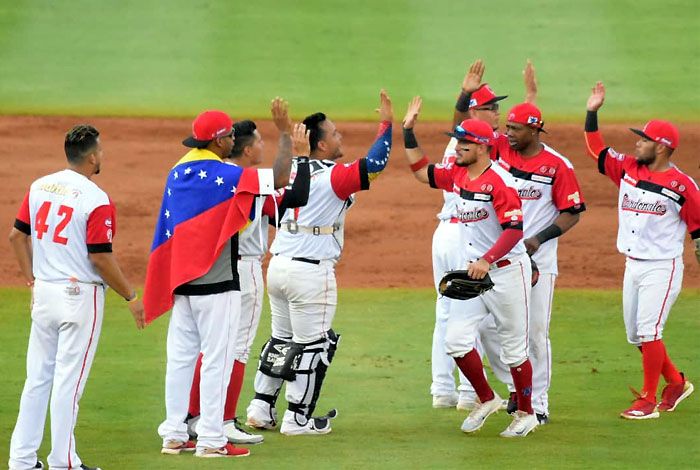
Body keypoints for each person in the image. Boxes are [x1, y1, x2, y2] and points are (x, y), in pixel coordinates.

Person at [144, 108, 296, 458]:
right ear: (217, 140)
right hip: (218, 282)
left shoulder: (176, 171)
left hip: (181, 281)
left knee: (180, 359)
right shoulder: (228, 174)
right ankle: (212, 438)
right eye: (228, 136)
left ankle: (174, 432)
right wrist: (286, 136)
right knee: (218, 358)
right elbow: (281, 176)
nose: (231, 140)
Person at [246, 90, 394, 436]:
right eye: (335, 133)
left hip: (278, 265)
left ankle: (260, 407)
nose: (341, 136)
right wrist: (386, 122)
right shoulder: (333, 175)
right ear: (322, 145)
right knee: (314, 345)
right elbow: (376, 164)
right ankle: (297, 418)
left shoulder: (284, 171)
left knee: (281, 340)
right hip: (310, 272)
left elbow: (272, 214)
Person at [8, 124, 144, 470]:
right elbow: (100, 257)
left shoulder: (39, 185)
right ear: (93, 156)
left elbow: (15, 237)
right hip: (79, 297)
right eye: (102, 150)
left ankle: (22, 460)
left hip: (45, 292)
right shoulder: (95, 198)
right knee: (69, 381)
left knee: (37, 378)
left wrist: (32, 282)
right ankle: (64, 461)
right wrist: (130, 296)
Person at [459, 60, 587, 424]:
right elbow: (468, 131)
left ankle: (539, 402)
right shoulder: (499, 148)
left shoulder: (557, 166)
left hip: (538, 261)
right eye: (507, 127)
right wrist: (467, 94)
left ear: (535, 131)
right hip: (500, 257)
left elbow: (572, 211)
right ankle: (517, 388)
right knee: (489, 328)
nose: (507, 132)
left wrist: (538, 239)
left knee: (534, 332)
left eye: (515, 128)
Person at [403, 99, 537, 437]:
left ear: (482, 147)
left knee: (514, 348)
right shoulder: (458, 174)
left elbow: (514, 230)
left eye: (464, 142)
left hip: (506, 271)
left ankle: (526, 412)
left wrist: (486, 259)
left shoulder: (501, 182)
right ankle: (486, 398)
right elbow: (422, 172)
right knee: (456, 340)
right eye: (458, 140)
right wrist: (407, 131)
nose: (457, 146)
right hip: (474, 276)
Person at [185, 103, 311, 445]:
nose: (262, 147)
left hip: (210, 268)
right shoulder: (250, 180)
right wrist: (301, 156)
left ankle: (193, 418)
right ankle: (224, 420)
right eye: (259, 142)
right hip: (244, 270)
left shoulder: (211, 175)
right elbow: (296, 194)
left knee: (207, 348)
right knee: (236, 349)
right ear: (245, 148)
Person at [584, 81, 698, 419]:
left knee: (650, 332)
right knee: (637, 336)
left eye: (644, 139)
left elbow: (699, 228)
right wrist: (592, 112)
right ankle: (676, 382)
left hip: (662, 267)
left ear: (661, 148)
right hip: (632, 265)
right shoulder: (629, 169)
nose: (638, 142)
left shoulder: (683, 186)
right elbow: (597, 151)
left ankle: (648, 401)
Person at [431, 61, 537, 410]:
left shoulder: (482, 146)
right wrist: (463, 95)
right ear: (474, 113)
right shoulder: (468, 146)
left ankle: (457, 392)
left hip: (475, 239)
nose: (497, 113)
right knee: (462, 319)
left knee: (462, 318)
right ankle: (458, 392)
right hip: (461, 235)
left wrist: (532, 97)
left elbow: (523, 134)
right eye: (491, 107)